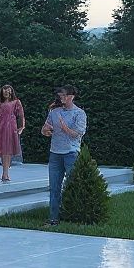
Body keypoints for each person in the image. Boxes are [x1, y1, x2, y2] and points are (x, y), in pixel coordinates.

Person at [42, 84, 88, 226]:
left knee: (73, 185)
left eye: (64, 95)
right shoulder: (54, 112)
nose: (61, 97)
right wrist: (45, 131)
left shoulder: (79, 113)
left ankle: (76, 217)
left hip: (71, 153)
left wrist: (64, 127)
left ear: (72, 96)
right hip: (55, 153)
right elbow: (45, 128)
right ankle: (53, 218)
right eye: (60, 95)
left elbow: (77, 134)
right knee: (54, 187)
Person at [0, 83, 25, 183]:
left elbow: (21, 115)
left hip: (11, 128)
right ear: (2, 92)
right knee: (2, 151)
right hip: (0, 128)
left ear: (11, 92)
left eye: (8, 90)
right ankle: (5, 171)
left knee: (8, 151)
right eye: (4, 90)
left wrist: (22, 126)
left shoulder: (16, 102)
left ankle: (5, 173)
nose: (6, 92)